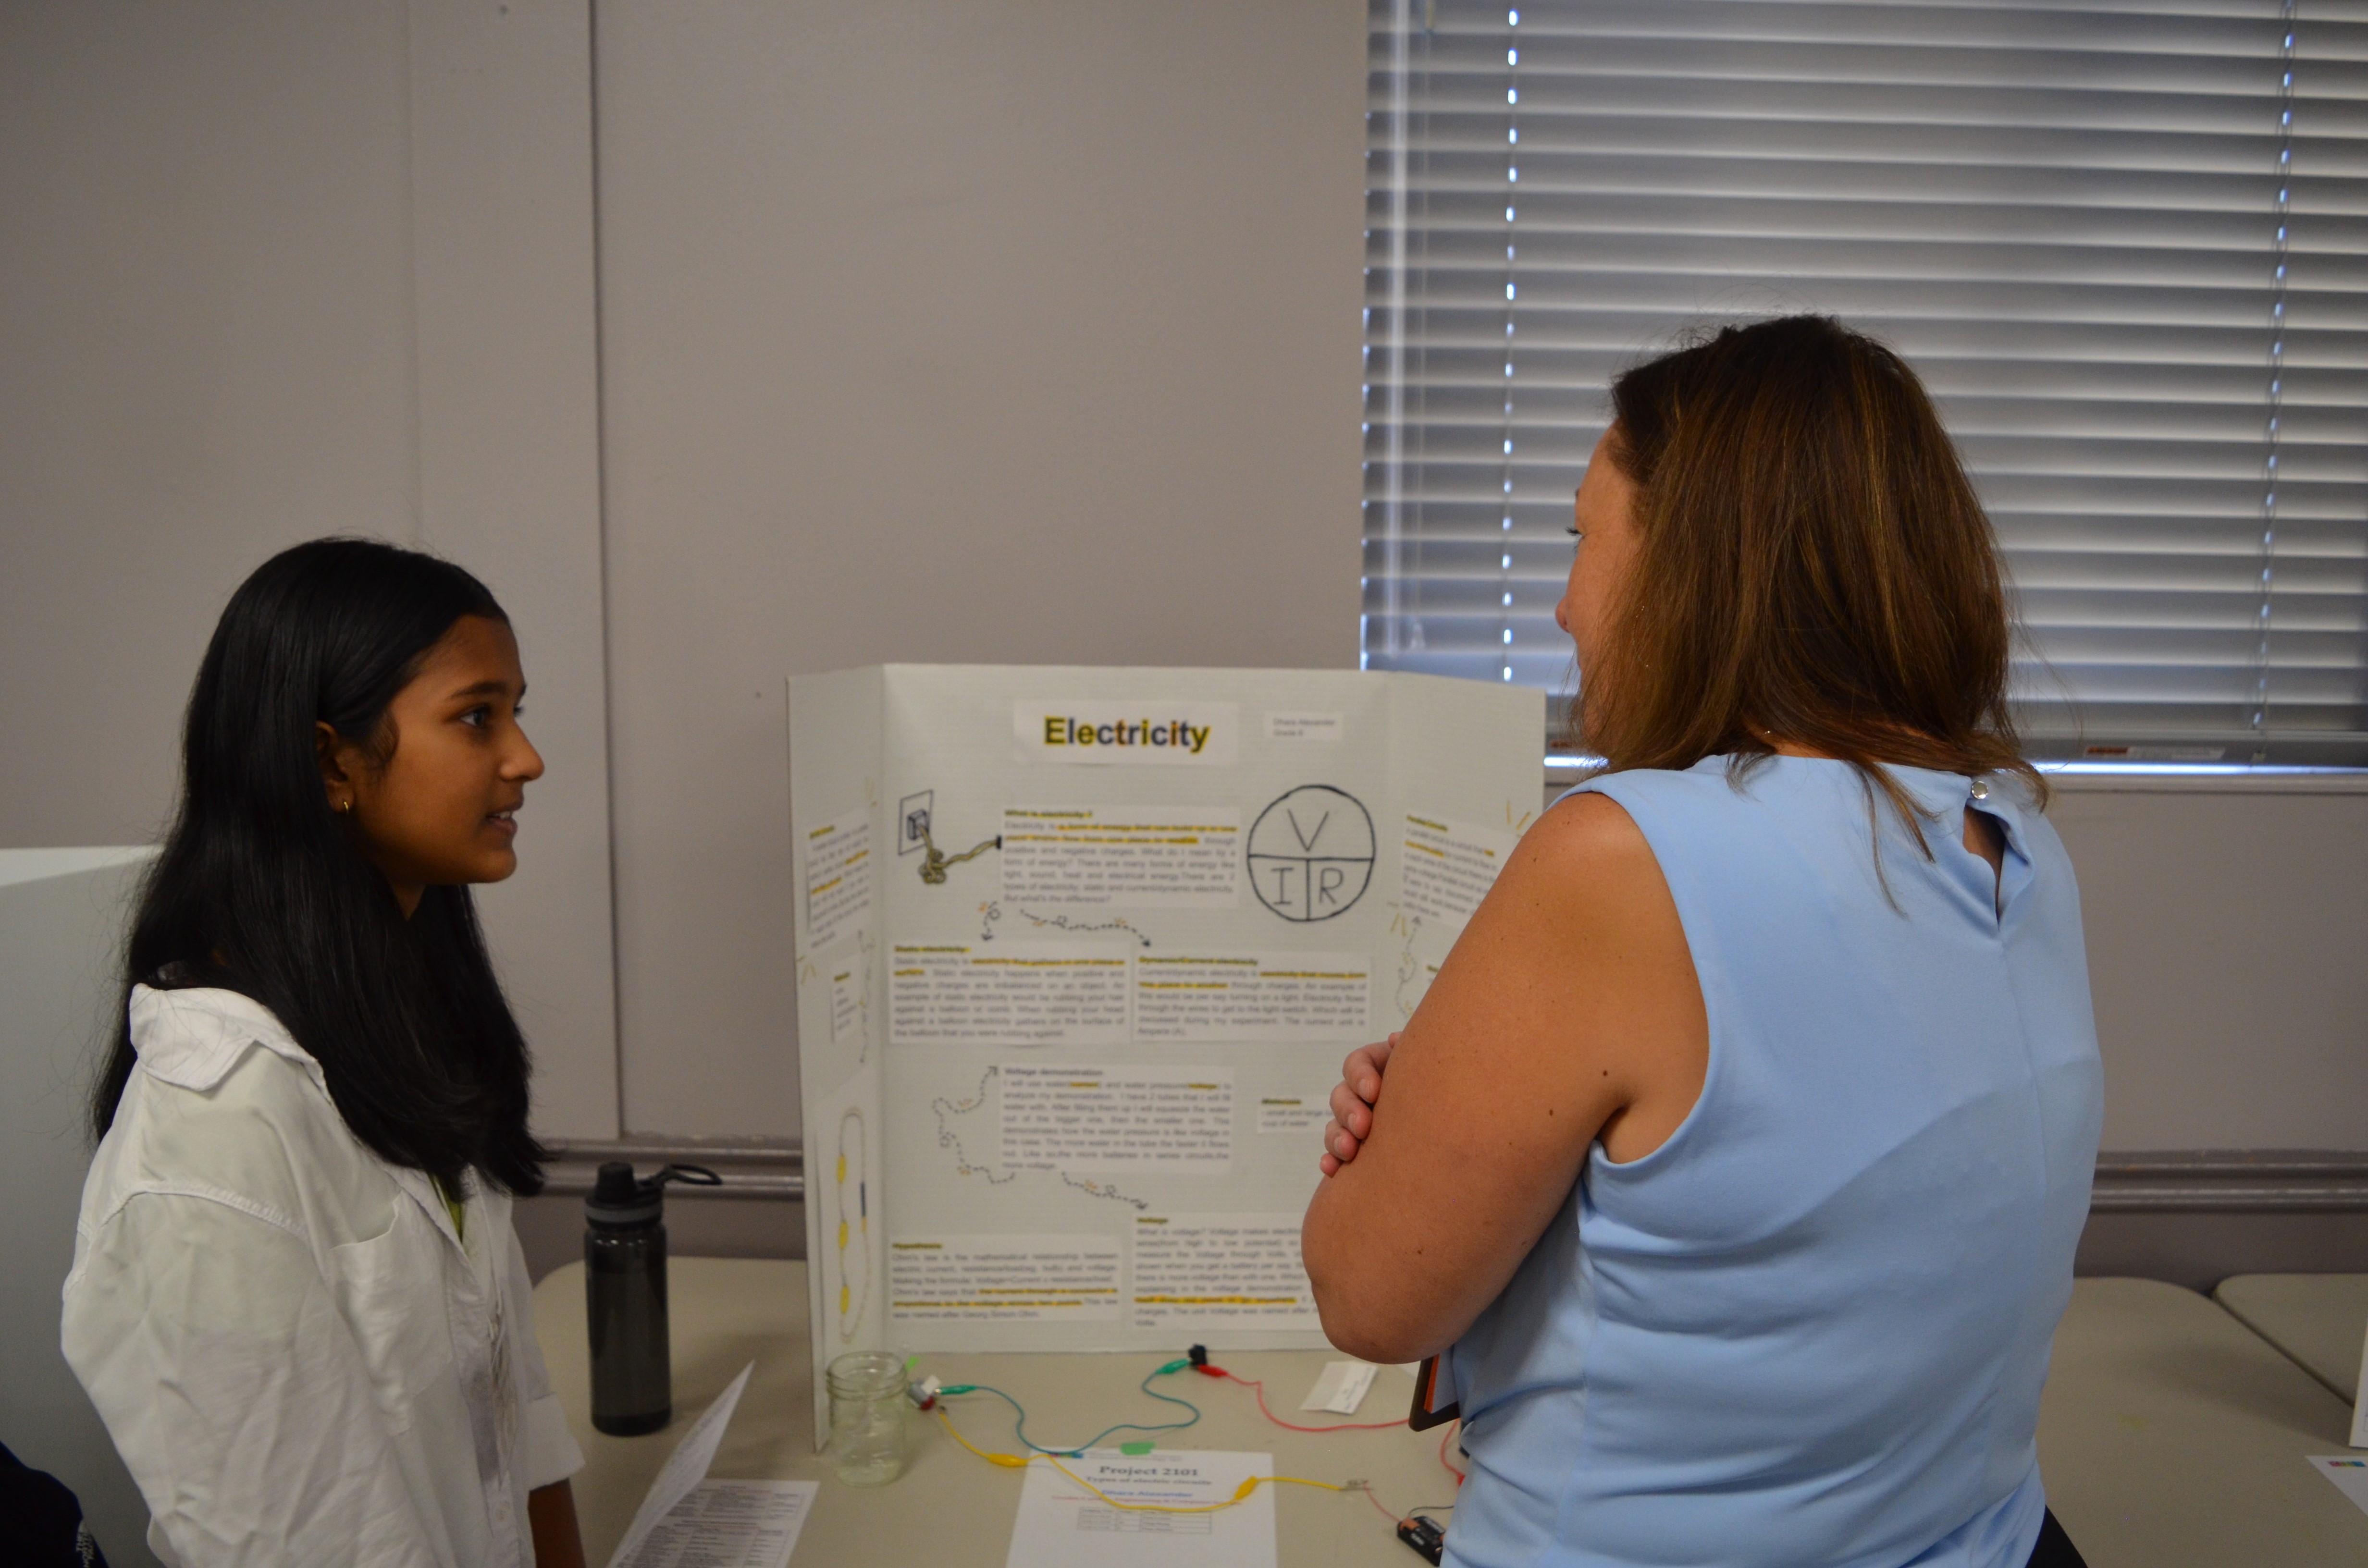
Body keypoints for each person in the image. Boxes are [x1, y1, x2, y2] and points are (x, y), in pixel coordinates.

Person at [1303, 317, 2102, 1568]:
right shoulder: (2013, 844)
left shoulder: (1622, 855)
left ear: (1690, 566)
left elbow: (1370, 1299)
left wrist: (1386, 1154)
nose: (1565, 602)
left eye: (1582, 540)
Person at [62, 539, 587, 1568]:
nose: (525, 757)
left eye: (518, 711)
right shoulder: (211, 1144)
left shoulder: (397, 1033)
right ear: (333, 762)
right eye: (478, 716)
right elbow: (305, 1539)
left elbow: (512, 1411)